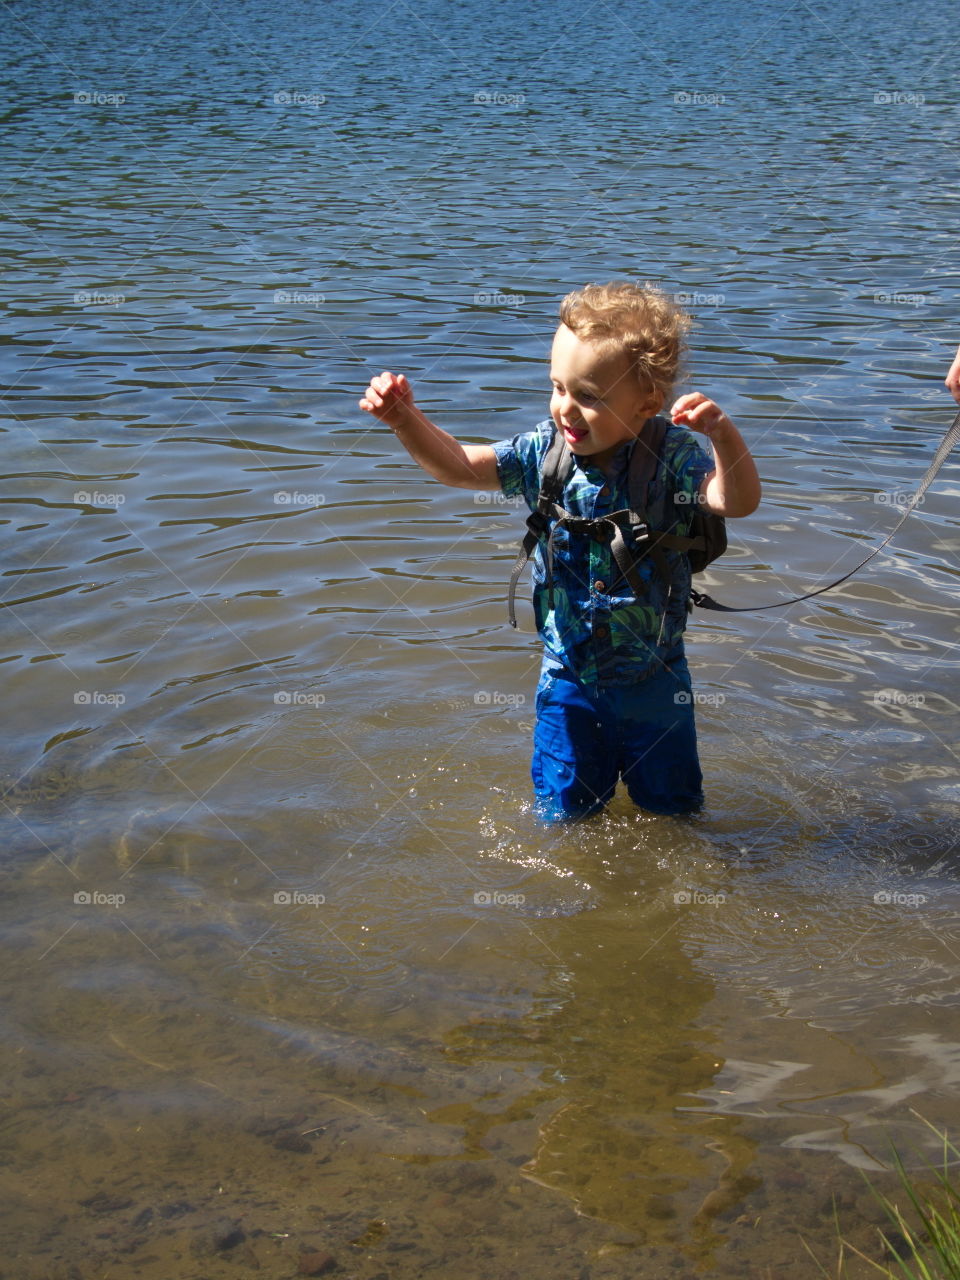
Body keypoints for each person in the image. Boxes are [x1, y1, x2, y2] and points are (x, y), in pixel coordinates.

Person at [359, 281, 761, 821]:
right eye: (558, 387)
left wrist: (724, 436)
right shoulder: (543, 454)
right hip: (567, 680)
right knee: (565, 816)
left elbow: (734, 501)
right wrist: (406, 420)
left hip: (658, 684)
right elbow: (458, 466)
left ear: (647, 402)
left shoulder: (673, 457)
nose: (566, 408)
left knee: (675, 813)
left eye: (589, 396)